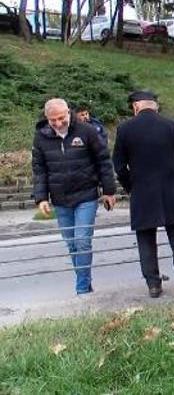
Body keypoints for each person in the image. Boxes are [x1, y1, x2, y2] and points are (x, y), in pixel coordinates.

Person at [112, 90, 174, 299]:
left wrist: (132, 186)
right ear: (155, 106)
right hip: (169, 189)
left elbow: (118, 164)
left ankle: (153, 285)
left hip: (141, 191)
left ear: (135, 107)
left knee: (145, 239)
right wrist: (173, 179)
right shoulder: (173, 126)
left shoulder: (125, 128)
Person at [31, 98, 117, 294]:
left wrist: (109, 191)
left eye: (61, 118)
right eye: (53, 120)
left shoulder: (86, 131)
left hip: (86, 195)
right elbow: (39, 169)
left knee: (82, 241)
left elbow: (103, 161)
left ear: (68, 112)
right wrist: (41, 198)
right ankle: (85, 282)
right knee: (71, 244)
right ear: (47, 118)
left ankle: (81, 290)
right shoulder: (41, 137)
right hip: (60, 199)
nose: (58, 123)